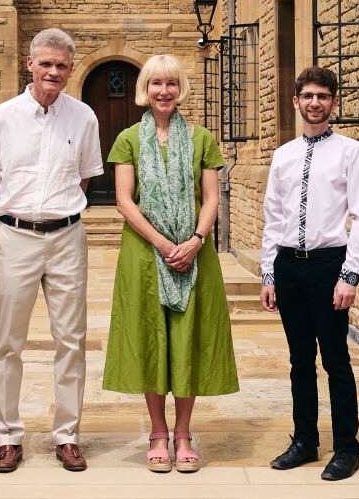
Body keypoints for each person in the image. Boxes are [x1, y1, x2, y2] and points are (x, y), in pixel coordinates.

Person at [101, 54, 239, 473]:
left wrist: (196, 240)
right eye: (157, 83)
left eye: (172, 84)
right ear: (146, 88)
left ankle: (183, 432)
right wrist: (164, 243)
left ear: (181, 89)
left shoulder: (201, 139)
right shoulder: (127, 138)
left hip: (195, 254)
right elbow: (125, 200)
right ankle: (157, 432)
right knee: (150, 336)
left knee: (187, 337)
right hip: (145, 254)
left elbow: (212, 197)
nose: (164, 91)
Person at [0, 28, 104, 473]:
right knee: (8, 341)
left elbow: (83, 179)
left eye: (61, 65)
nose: (53, 72)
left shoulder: (84, 117)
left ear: (70, 69)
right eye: (46, 63)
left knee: (71, 340)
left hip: (67, 237)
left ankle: (67, 436)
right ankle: (8, 436)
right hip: (16, 237)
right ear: (30, 63)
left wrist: (54, 213)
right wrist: (20, 218)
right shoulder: (2, 117)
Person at [259, 66, 359, 481]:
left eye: (322, 96)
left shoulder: (351, 152)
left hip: (330, 265)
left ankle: (347, 446)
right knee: (299, 360)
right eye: (307, 95)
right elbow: (273, 218)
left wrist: (351, 275)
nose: (314, 103)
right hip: (289, 266)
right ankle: (305, 441)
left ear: (334, 103)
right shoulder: (283, 155)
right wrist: (268, 274)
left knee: (336, 359)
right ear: (296, 101)